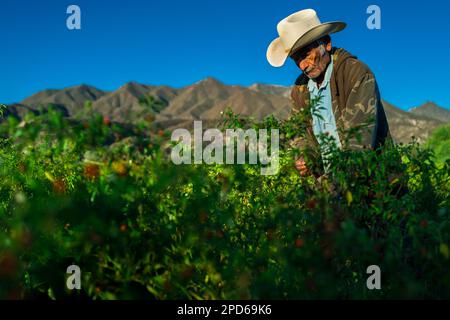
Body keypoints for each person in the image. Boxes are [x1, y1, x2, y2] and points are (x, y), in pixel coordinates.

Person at [266, 9, 391, 176]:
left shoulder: (355, 73)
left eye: (306, 55)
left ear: (326, 44)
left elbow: (359, 145)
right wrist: (305, 156)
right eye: (297, 60)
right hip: (328, 188)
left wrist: (327, 189)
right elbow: (299, 131)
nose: (303, 65)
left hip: (373, 184)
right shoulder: (300, 88)